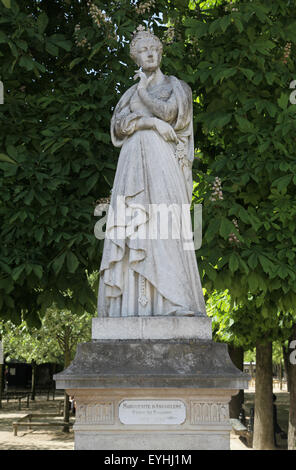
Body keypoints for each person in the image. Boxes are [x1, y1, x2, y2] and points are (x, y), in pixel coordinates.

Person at [97, 27, 206, 318]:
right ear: (136, 57)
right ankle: (128, 308)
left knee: (165, 226)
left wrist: (144, 95)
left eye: (154, 49)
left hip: (162, 163)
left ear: (160, 53)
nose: (149, 53)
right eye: (143, 50)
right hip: (133, 163)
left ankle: (174, 300)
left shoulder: (176, 87)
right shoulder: (128, 94)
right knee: (134, 228)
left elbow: (171, 114)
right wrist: (149, 124)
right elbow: (119, 126)